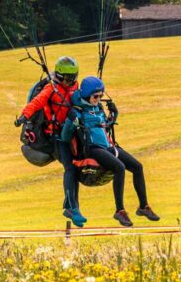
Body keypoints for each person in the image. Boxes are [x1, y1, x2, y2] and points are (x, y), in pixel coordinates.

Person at [62, 76, 160, 227]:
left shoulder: (98, 108)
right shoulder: (78, 111)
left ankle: (143, 207)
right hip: (93, 148)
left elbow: (105, 124)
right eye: (96, 96)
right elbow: (65, 136)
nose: (98, 99)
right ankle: (119, 211)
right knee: (119, 167)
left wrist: (114, 114)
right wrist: (70, 121)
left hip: (108, 145)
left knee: (137, 167)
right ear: (87, 95)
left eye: (101, 96)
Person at [14, 56, 87, 227]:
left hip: (73, 132)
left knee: (77, 167)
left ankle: (72, 207)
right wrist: (23, 116)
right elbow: (36, 102)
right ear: (60, 77)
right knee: (70, 168)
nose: (72, 82)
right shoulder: (51, 88)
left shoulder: (75, 86)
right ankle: (71, 208)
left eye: (74, 77)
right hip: (57, 137)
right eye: (69, 79)